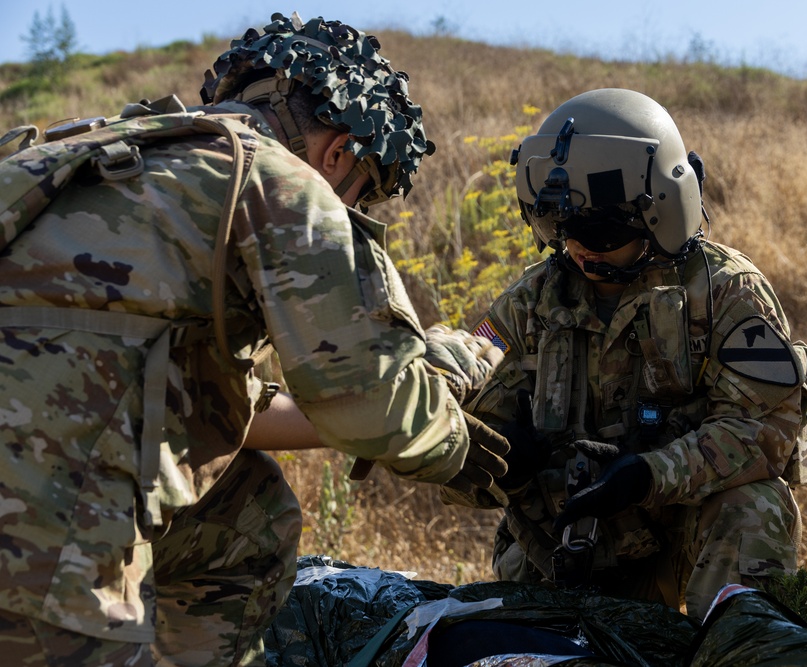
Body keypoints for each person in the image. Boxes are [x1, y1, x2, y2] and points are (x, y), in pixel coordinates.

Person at [0, 12, 507, 666]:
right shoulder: (276, 181)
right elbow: (380, 410)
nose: (355, 209)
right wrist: (452, 441)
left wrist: (348, 417)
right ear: (339, 154)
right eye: (364, 197)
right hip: (44, 561)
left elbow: (216, 406)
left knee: (247, 515)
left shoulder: (80, 160)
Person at [444, 88, 807, 620]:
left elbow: (762, 433)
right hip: (561, 547)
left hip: (681, 541)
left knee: (753, 506)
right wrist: (497, 459)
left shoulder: (725, 291)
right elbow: (470, 424)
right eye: (559, 228)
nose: (578, 247)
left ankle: (735, 645)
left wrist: (648, 475)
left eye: (600, 231)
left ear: (661, 213)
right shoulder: (532, 302)